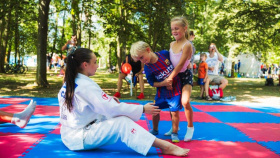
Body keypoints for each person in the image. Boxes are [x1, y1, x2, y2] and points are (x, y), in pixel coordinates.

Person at [58, 48, 189, 156]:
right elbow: (109, 108)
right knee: (122, 122)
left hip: (69, 134)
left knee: (114, 112)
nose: (97, 65)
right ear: (85, 65)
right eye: (95, 62)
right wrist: (143, 109)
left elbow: (89, 105)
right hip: (81, 136)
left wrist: (109, 100)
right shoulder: (85, 85)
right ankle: (165, 146)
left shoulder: (72, 82)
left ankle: (160, 144)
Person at [130, 41, 182, 143]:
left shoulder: (165, 54)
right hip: (161, 92)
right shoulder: (148, 68)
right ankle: (155, 129)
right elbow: (152, 83)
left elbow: (178, 62)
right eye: (139, 59)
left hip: (175, 90)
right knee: (155, 110)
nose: (142, 61)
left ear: (148, 50)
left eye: (141, 57)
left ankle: (175, 132)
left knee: (174, 111)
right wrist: (164, 83)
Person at [163, 16, 194, 142]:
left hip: (184, 75)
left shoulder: (187, 45)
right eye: (172, 29)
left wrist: (169, 78)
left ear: (185, 28)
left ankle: (190, 127)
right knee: (173, 104)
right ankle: (175, 127)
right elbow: (170, 61)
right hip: (173, 75)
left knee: (185, 101)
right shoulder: (171, 44)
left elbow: (180, 64)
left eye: (177, 28)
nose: (174, 31)